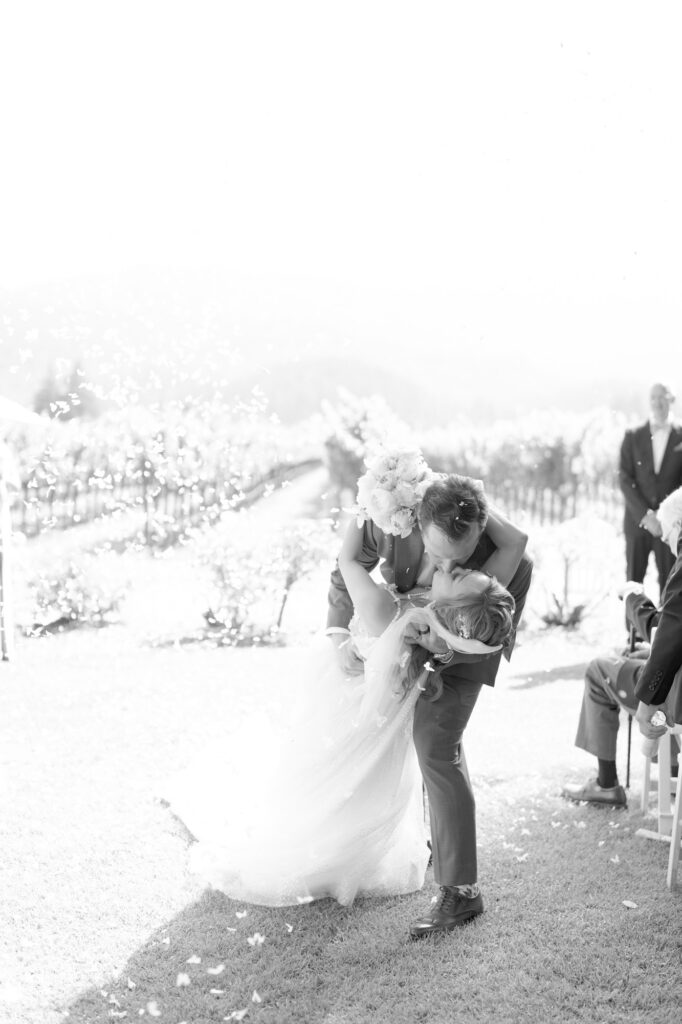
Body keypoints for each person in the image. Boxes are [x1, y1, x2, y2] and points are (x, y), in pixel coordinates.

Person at [164, 552, 515, 910]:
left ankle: (329, 850)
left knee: (335, 772)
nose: (459, 565)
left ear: (445, 612)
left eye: (460, 576)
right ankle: (340, 849)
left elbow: (348, 564)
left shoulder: (407, 621)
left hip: (355, 698)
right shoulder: (436, 632)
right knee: (349, 777)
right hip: (363, 698)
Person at [327, 471, 533, 937]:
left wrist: (441, 644)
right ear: (418, 523)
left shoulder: (498, 559)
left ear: (480, 533)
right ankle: (433, 840)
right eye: (437, 553)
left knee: (437, 744)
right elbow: (347, 561)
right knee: (403, 738)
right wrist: (339, 629)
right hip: (412, 624)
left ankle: (462, 893)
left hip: (473, 634)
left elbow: (480, 632)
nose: (444, 563)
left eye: (456, 559)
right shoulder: (392, 510)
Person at [562, 485, 682, 808]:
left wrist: (632, 601)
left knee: (598, 669)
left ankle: (606, 784)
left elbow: (667, 631)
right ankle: (668, 763)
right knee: (631, 654)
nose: (668, 544)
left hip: (676, 689)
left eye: (670, 535)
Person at [619, 381, 682, 597]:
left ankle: (666, 630)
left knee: (671, 584)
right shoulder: (632, 435)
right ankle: (632, 631)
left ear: (671, 400)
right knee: (633, 583)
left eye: (662, 397)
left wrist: (664, 516)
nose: (657, 402)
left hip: (672, 527)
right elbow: (625, 479)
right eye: (653, 398)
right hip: (638, 523)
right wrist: (647, 516)